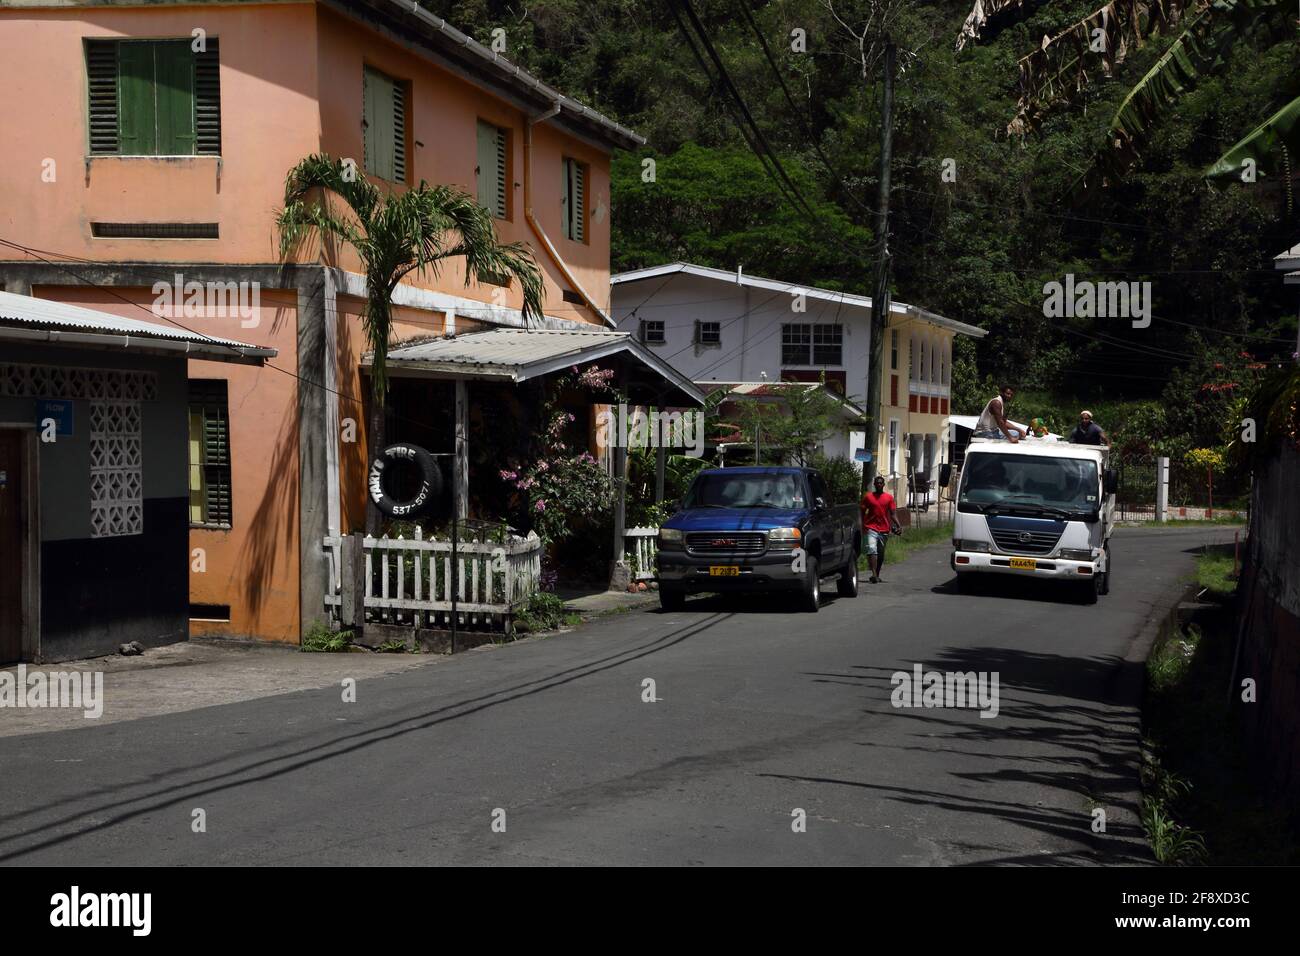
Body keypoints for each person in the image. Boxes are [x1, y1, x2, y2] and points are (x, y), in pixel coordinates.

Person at [859, 474, 902, 583]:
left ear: (883, 485)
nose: (879, 484)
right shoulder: (868, 497)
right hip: (870, 528)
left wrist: (898, 525)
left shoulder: (889, 498)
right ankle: (873, 574)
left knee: (881, 553)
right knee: (872, 550)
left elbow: (893, 514)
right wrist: (862, 525)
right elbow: (862, 512)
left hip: (884, 529)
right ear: (874, 484)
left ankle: (877, 573)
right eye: (877, 483)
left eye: (880, 483)